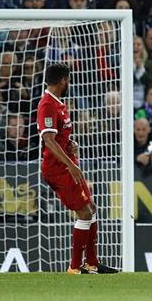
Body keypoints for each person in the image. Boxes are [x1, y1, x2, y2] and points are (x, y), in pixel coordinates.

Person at [36, 63, 118, 275]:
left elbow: (59, 138)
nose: (69, 83)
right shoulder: (47, 105)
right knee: (83, 212)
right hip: (58, 169)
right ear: (63, 80)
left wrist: (71, 143)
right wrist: (70, 165)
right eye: (68, 80)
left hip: (69, 164)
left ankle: (91, 263)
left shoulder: (59, 104)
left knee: (91, 208)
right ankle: (74, 266)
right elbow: (48, 140)